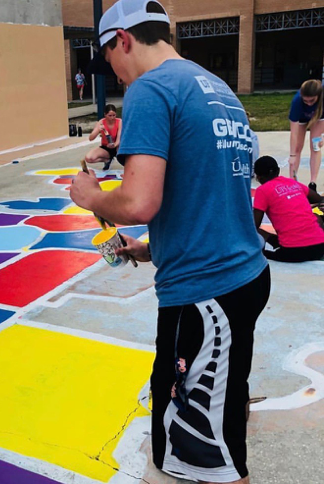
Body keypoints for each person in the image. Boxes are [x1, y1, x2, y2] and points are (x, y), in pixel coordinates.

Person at [70, 1, 270, 483]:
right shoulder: (217, 88)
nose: (115, 74)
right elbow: (210, 190)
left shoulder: (150, 89)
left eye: (110, 60)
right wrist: (150, 248)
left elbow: (139, 202)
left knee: (208, 448)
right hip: (241, 275)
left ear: (123, 40)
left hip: (205, 296)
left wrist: (91, 195)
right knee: (212, 403)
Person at [253, 156, 324, 262]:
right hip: (319, 247)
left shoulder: (262, 191)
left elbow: (254, 224)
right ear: (278, 171)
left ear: (259, 177)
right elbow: (318, 198)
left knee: (256, 233)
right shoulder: (292, 183)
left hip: (293, 252)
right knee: (315, 216)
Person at [288, 79, 324, 190]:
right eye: (306, 101)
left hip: (320, 116)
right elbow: (294, 132)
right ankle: (292, 182)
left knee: (315, 146)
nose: (308, 103)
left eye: (312, 101)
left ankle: (312, 183)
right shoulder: (297, 101)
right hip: (302, 117)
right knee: (297, 147)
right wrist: (292, 155)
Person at [86, 104, 122, 171]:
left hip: (118, 146)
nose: (112, 118)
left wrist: (114, 145)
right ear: (105, 115)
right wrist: (98, 130)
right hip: (106, 147)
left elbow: (119, 138)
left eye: (114, 115)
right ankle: (107, 159)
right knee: (88, 158)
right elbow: (91, 138)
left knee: (128, 160)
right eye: (110, 115)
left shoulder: (119, 121)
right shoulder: (101, 122)